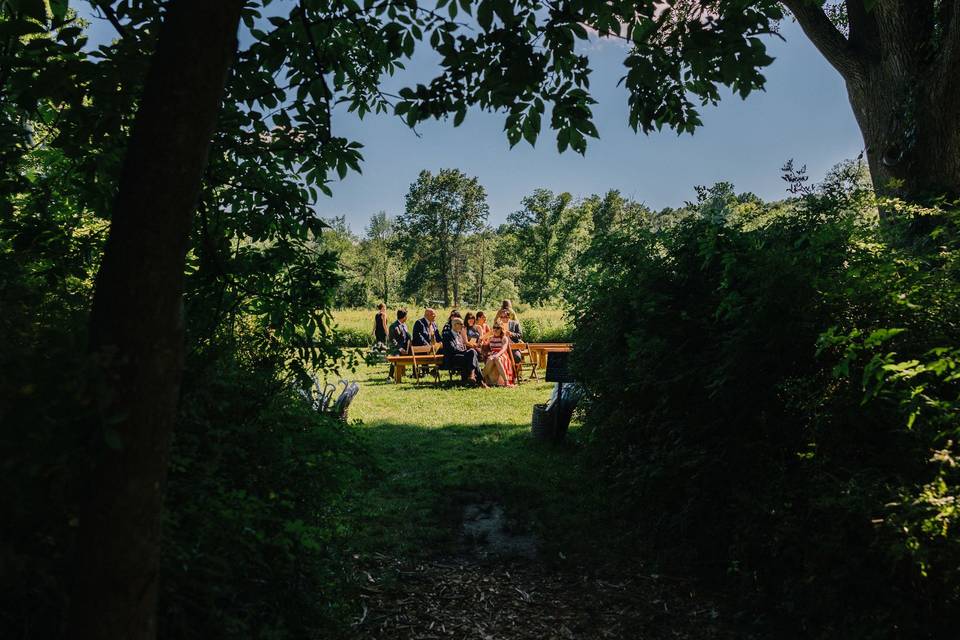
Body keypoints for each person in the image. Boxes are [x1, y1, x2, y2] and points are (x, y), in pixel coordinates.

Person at [442, 317, 486, 386]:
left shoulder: (459, 335)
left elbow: (462, 347)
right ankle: (477, 379)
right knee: (472, 353)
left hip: (461, 356)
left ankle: (473, 377)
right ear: (455, 325)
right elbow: (452, 349)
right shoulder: (447, 335)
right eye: (461, 324)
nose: (463, 326)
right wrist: (465, 352)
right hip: (452, 358)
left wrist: (465, 352)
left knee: (472, 354)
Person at [483, 322, 516, 387]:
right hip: (492, 354)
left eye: (498, 328)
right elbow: (485, 345)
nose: (495, 329)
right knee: (490, 359)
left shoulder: (504, 338)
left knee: (496, 358)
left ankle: (506, 381)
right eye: (494, 327)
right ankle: (481, 378)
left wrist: (497, 355)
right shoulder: (490, 338)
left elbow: (504, 349)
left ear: (501, 329)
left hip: (502, 354)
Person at [387, 309, 411, 380]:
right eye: (406, 316)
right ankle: (390, 376)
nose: (407, 318)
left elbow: (407, 336)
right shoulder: (393, 326)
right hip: (396, 348)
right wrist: (400, 349)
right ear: (404, 317)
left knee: (415, 353)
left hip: (405, 347)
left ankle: (415, 374)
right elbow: (392, 340)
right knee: (396, 356)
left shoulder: (404, 325)